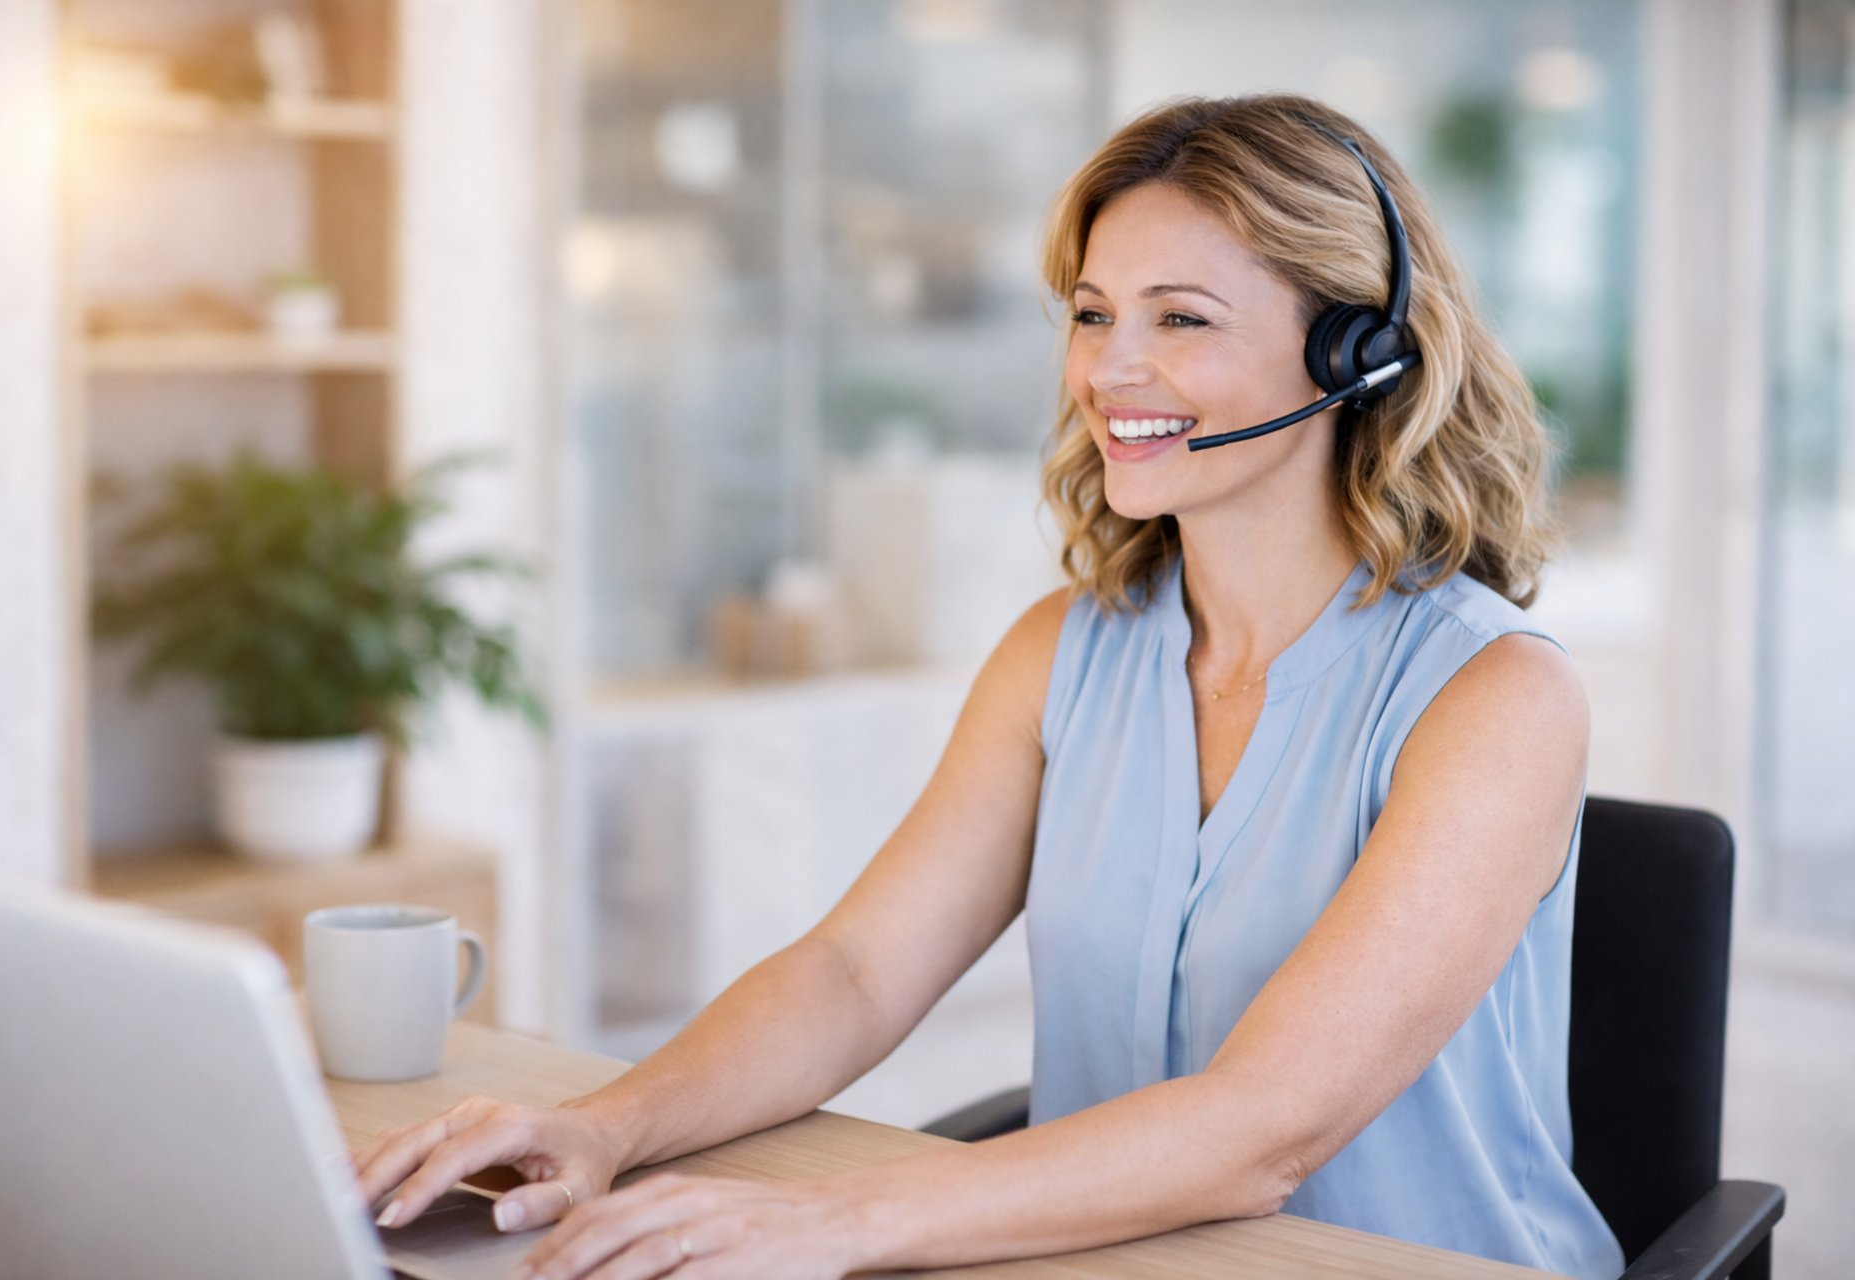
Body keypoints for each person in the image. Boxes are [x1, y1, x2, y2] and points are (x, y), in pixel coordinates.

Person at [354, 93, 1626, 1280]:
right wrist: (606, 1126)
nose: (1111, 369)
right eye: (1093, 314)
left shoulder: (1493, 698)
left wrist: (834, 1219)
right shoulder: (1064, 652)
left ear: (1355, 352)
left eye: (1181, 319)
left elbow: (1263, 1128)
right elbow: (857, 970)